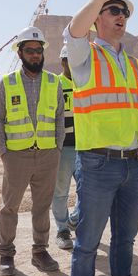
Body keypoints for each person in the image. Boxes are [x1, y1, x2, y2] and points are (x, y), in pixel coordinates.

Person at [63, 0, 138, 276]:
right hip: (97, 164)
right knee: (87, 244)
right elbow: (73, 30)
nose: (120, 17)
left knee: (124, 240)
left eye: (123, 12)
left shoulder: (132, 63)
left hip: (131, 163)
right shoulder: (85, 58)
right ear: (98, 18)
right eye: (112, 10)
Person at [0, 26, 65, 276]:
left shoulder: (53, 82)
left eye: (38, 50)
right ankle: (6, 253)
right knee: (9, 207)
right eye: (29, 50)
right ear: (20, 52)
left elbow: (58, 119)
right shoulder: (7, 83)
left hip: (47, 155)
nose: (35, 54)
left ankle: (40, 251)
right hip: (16, 156)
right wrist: (4, 152)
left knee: (42, 206)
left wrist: (56, 148)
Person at [52, 44, 80, 250]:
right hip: (64, 148)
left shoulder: (86, 83)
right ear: (63, 62)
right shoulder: (55, 85)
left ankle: (74, 220)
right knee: (60, 191)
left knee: (88, 191)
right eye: (71, 59)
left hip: (88, 147)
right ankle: (62, 230)